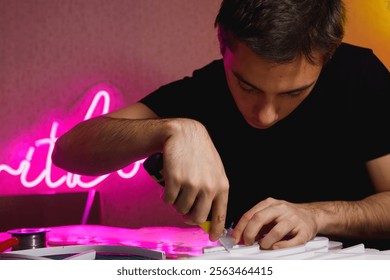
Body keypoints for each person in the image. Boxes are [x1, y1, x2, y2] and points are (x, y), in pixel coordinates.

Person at [52, 0, 390, 250]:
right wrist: (173, 129)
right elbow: (68, 152)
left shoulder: (359, 76)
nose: (265, 115)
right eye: (247, 86)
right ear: (223, 47)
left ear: (328, 57)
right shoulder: (202, 92)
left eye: (295, 92)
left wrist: (317, 216)